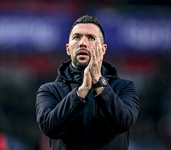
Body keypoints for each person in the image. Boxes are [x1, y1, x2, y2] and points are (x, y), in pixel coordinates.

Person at [36, 15, 140, 150]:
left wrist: (99, 81)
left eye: (91, 38)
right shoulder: (49, 91)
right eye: (76, 37)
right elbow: (50, 128)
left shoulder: (124, 87)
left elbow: (122, 123)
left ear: (103, 50)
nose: (83, 43)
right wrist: (81, 91)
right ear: (68, 48)